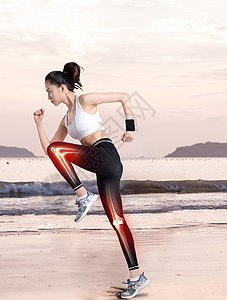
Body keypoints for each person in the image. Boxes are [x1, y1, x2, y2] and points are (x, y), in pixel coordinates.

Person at [33, 62, 150, 298]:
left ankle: (83, 195)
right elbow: (50, 150)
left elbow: (124, 97)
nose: (48, 97)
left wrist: (131, 129)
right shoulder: (66, 120)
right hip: (102, 166)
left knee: (59, 150)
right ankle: (137, 277)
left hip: (106, 154)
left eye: (50, 91)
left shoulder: (85, 101)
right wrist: (38, 125)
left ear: (62, 88)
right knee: (117, 220)